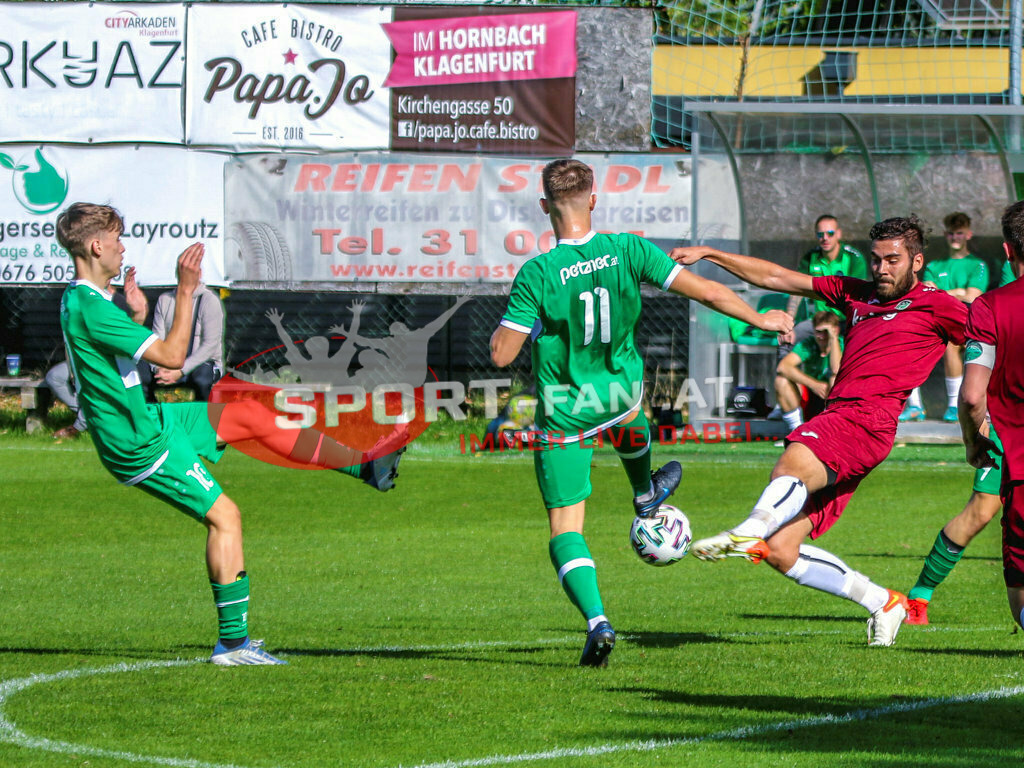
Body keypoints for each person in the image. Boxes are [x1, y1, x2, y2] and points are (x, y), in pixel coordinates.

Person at [57, 202, 402, 666]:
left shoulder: (85, 300)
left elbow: (114, 358)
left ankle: (367, 465)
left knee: (247, 416)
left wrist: (138, 317)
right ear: (96, 246)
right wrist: (185, 291)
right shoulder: (88, 304)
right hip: (137, 444)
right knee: (225, 517)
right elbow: (174, 357)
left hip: (148, 419)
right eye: (118, 239)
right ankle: (233, 645)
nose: (123, 248)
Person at [489, 159, 793, 667]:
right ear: (592, 200)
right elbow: (709, 291)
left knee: (566, 527)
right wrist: (760, 318)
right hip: (621, 396)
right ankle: (644, 491)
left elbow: (501, 354)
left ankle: (597, 622)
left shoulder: (537, 273)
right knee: (631, 419)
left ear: (545, 208)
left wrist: (529, 325)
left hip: (568, 409)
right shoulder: (627, 249)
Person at [670, 215, 967, 647]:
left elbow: (996, 336)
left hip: (865, 420)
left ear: (917, 261)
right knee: (781, 550)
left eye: (893, 260)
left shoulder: (940, 305)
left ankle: (749, 527)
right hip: (847, 422)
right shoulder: (857, 294)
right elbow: (777, 276)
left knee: (792, 461)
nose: (881, 269)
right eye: (876, 259)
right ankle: (883, 601)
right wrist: (709, 254)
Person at [958, 199, 1024, 634]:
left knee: (1021, 598)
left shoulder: (991, 307)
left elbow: (971, 397)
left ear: (1007, 251)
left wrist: (973, 441)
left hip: (1020, 472)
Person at [771, 215, 866, 417]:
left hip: (845, 320)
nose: (825, 238)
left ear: (838, 234)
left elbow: (860, 295)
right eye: (820, 234)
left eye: (830, 233)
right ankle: (784, 399)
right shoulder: (810, 258)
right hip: (819, 319)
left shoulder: (853, 257)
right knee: (786, 337)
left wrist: (854, 325)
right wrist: (788, 321)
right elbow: (796, 289)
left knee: (851, 357)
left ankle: (858, 404)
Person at [901, 212, 988, 423]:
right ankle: (914, 407)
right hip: (932, 321)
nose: (955, 238)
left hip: (967, 323)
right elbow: (925, 295)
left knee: (950, 342)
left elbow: (972, 296)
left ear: (968, 234)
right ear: (945, 235)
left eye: (959, 233)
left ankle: (952, 405)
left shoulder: (978, 265)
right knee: (903, 340)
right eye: (951, 234)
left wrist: (942, 292)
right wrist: (957, 291)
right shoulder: (933, 266)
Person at [49, 272, 149, 439]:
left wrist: (139, 315)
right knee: (54, 376)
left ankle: (84, 423)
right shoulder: (77, 300)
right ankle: (93, 416)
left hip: (109, 361)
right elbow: (71, 341)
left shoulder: (118, 302)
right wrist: (73, 367)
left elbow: (126, 338)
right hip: (80, 360)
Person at [140, 276, 225, 402]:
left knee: (201, 378)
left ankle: (205, 419)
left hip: (201, 364)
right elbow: (157, 341)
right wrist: (159, 368)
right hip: (169, 363)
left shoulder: (209, 300)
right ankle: (150, 417)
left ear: (199, 274)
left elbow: (210, 346)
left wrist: (181, 370)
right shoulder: (165, 300)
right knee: (140, 373)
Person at [775, 311, 843, 431]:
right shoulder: (808, 344)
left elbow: (836, 369)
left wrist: (833, 339)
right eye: (818, 332)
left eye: (825, 332)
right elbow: (783, 367)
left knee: (834, 380)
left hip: (832, 397)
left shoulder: (842, 344)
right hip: (811, 395)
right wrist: (814, 385)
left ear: (835, 330)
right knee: (781, 380)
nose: (821, 336)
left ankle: (832, 429)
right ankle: (796, 431)